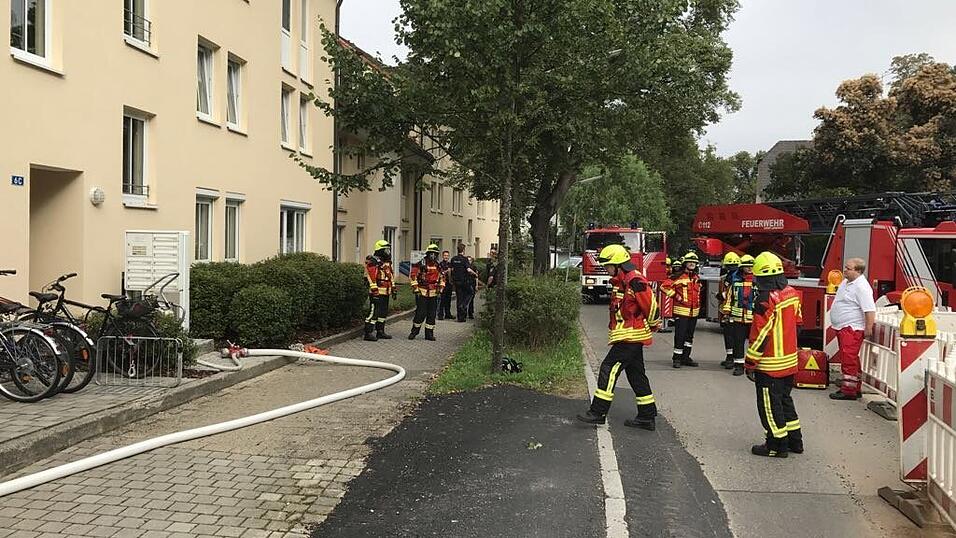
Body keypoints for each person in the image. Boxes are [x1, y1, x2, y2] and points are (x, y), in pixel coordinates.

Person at [577, 244, 661, 429]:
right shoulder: (621, 281)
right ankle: (647, 416)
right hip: (628, 336)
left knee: (609, 368)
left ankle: (598, 412)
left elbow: (651, 305)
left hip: (630, 337)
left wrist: (654, 324)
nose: (606, 270)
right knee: (636, 375)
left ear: (618, 264)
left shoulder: (635, 281)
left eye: (608, 266)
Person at [745, 251, 803, 458]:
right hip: (789, 361)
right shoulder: (791, 293)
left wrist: (750, 362)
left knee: (769, 406)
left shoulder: (765, 299)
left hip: (770, 364)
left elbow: (760, 335)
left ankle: (776, 445)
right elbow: (798, 324)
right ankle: (795, 441)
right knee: (785, 400)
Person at [829, 257, 876, 401]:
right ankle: (854, 387)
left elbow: (869, 309)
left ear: (858, 271)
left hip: (852, 328)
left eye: (848, 268)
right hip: (844, 327)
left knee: (849, 358)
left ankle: (849, 390)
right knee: (851, 358)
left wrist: (868, 328)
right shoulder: (846, 282)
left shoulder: (862, 287)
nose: (844, 270)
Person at [723, 254, 754, 376]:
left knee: (754, 343)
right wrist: (726, 313)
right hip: (737, 317)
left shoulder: (758, 281)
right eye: (747, 266)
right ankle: (739, 366)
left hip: (753, 318)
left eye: (751, 266)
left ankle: (751, 366)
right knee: (738, 342)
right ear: (742, 267)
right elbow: (729, 298)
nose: (749, 269)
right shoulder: (735, 281)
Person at [670, 252, 701, 368]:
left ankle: (686, 357)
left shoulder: (696, 277)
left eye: (694, 262)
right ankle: (676, 358)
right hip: (681, 311)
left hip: (694, 312)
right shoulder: (677, 276)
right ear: (685, 263)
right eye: (690, 262)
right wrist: (677, 297)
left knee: (689, 336)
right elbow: (664, 286)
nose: (692, 264)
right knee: (680, 335)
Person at [408, 244, 444, 341]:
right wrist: (416, 289)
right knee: (420, 313)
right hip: (422, 292)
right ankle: (414, 332)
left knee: (432, 314)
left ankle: (429, 334)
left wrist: (441, 288)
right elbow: (413, 276)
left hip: (433, 292)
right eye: (432, 254)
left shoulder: (437, 265)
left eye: (435, 254)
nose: (433, 256)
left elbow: (442, 277)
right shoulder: (421, 263)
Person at [363, 240, 395, 342]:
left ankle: (380, 331)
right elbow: (371, 277)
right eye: (386, 249)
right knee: (374, 312)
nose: (388, 251)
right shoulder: (373, 262)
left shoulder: (387, 262)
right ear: (380, 250)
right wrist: (374, 291)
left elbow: (390, 276)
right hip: (377, 292)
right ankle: (368, 333)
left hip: (386, 291)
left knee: (383, 312)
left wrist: (393, 288)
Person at [717, 252, 741, 368]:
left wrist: (721, 295)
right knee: (729, 335)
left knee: (732, 335)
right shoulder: (730, 275)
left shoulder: (735, 277)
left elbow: (732, 293)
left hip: (733, 311)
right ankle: (730, 357)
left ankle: (732, 359)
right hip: (729, 310)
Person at [450, 243, 479, 322]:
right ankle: (464, 305)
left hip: (456, 282)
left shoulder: (453, 259)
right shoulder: (464, 259)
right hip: (464, 281)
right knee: (470, 293)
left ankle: (460, 318)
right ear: (463, 250)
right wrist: (475, 274)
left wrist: (451, 279)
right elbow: (468, 270)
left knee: (459, 298)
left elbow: (451, 270)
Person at [437, 250, 453, 320]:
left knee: (448, 300)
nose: (446, 257)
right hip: (442, 284)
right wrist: (447, 271)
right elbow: (440, 273)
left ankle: (448, 314)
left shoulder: (450, 264)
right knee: (442, 300)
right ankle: (440, 315)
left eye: (447, 255)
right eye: (445, 255)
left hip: (449, 284)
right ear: (442, 256)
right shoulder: (440, 264)